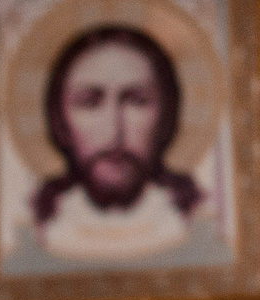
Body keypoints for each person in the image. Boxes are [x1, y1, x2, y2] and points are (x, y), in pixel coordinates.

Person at [27, 23, 210, 263]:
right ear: (59, 118)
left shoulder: (195, 218)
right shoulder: (45, 222)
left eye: (137, 101)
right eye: (89, 102)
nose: (113, 131)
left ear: (167, 115)